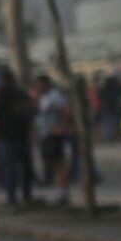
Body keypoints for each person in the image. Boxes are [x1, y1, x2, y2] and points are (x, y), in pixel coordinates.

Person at [0, 70, 35, 208]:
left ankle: (24, 197)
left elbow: (31, 111)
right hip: (6, 138)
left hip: (18, 136)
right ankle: (14, 198)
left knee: (24, 169)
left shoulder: (20, 94)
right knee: (12, 170)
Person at [35, 75, 74, 205]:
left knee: (59, 163)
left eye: (39, 84)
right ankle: (61, 190)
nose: (38, 87)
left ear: (46, 84)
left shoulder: (54, 96)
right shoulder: (43, 97)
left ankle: (63, 192)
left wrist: (63, 127)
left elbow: (66, 111)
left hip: (53, 135)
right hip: (45, 134)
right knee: (54, 164)